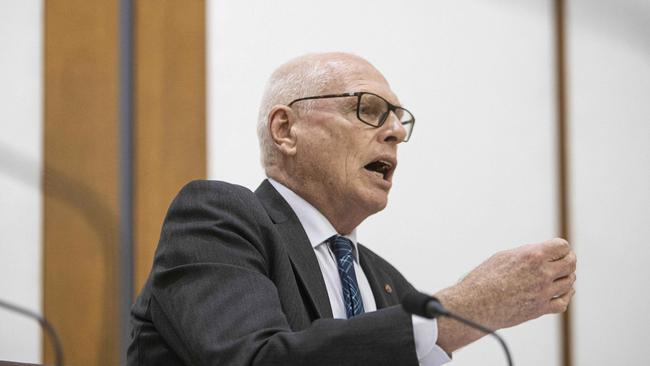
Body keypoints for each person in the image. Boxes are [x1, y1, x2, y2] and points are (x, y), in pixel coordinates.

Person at [128, 52, 577, 366]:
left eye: (400, 119)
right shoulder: (218, 219)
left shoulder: (387, 282)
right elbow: (254, 359)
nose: (396, 133)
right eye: (370, 109)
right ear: (286, 129)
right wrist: (464, 310)